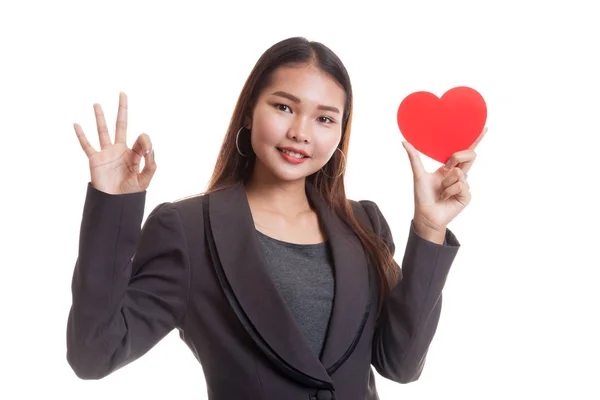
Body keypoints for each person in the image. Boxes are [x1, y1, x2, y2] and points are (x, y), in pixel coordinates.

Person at [67, 36, 484, 400]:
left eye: (324, 118)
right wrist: (113, 206)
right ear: (249, 112)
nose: (301, 132)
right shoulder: (188, 231)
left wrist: (430, 229)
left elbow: (402, 364)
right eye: (284, 107)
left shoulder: (364, 225)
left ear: (340, 133)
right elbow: (94, 353)